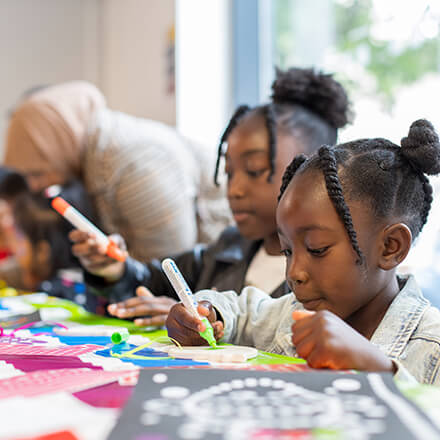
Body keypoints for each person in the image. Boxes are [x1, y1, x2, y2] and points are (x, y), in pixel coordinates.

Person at [166, 119, 440, 385]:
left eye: (317, 249)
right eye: (287, 251)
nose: (294, 273)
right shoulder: (292, 314)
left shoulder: (432, 345)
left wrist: (377, 367)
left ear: (391, 247)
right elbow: (241, 310)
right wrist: (207, 315)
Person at [70, 67, 351, 325]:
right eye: (229, 172)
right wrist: (113, 269)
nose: (235, 190)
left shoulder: (332, 275)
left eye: (254, 171)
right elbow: (151, 285)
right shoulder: (225, 251)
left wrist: (205, 320)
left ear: (312, 173)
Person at [3, 81, 231, 262]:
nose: (34, 186)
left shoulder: (132, 163)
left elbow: (168, 265)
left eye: (37, 173)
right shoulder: (95, 160)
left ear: (59, 144)